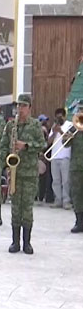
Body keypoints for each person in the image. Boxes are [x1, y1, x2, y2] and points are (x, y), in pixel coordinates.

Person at [0, 94, 45, 254]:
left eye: (24, 106)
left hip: (29, 173)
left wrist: (26, 146)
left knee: (27, 208)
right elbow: (3, 146)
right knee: (15, 208)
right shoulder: (11, 126)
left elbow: (42, 144)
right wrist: (6, 163)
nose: (21, 109)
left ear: (30, 108)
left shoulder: (35, 125)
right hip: (15, 173)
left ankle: (27, 242)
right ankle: (15, 242)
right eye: (19, 105)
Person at [48, 108, 72, 209]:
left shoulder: (69, 125)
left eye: (60, 116)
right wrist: (54, 132)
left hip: (65, 155)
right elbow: (49, 142)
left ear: (64, 116)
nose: (59, 118)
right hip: (55, 156)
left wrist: (60, 131)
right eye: (57, 116)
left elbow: (69, 138)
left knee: (66, 180)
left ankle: (66, 201)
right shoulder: (54, 126)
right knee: (56, 180)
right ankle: (58, 200)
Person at [65, 100, 83, 233]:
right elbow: (65, 144)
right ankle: (79, 221)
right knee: (76, 194)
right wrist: (70, 135)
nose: (81, 112)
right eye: (80, 110)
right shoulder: (74, 127)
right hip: (76, 167)